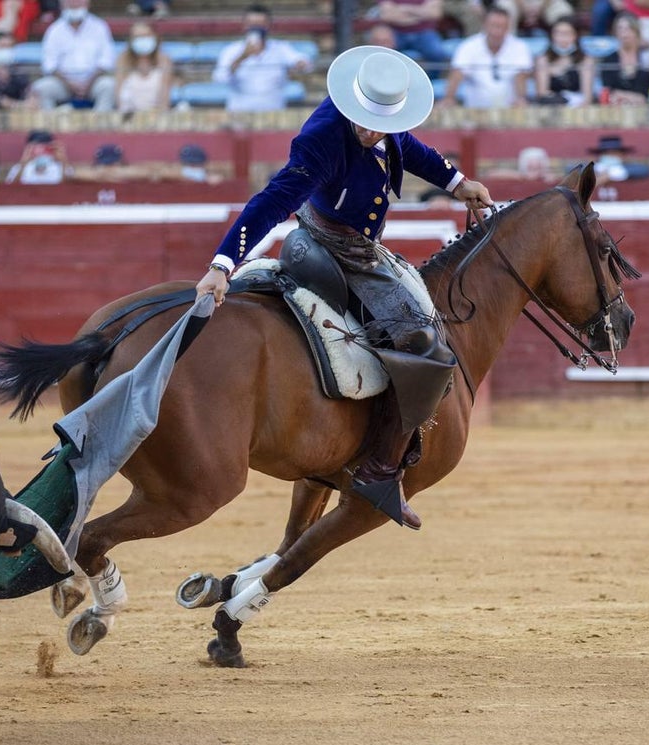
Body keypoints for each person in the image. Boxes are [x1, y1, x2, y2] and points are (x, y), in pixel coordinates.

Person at [196, 46, 494, 532]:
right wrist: (223, 264)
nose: (372, 131)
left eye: (381, 124)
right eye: (366, 122)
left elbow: (407, 146)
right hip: (335, 246)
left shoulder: (386, 124)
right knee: (422, 341)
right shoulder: (322, 138)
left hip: (359, 244)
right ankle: (380, 471)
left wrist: (457, 182)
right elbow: (272, 201)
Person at [211, 4, 312, 112]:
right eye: (252, 24)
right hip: (240, 111)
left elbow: (303, 64)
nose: (256, 27)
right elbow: (220, 78)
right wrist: (243, 57)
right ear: (245, 25)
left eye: (260, 24)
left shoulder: (281, 48)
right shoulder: (231, 50)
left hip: (274, 112)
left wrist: (300, 64)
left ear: (268, 25)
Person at [30, 0, 116, 111]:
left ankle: (100, 121)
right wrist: (70, 83)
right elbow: (49, 64)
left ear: (87, 3)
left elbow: (106, 60)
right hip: (63, 82)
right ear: (62, 3)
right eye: (70, 1)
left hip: (94, 80)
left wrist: (88, 82)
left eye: (78, 1)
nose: (74, 4)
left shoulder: (99, 27)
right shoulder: (54, 30)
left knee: (109, 86)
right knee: (41, 89)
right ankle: (49, 122)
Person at [440, 6, 532, 107]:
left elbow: (521, 76)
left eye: (502, 26)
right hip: (474, 110)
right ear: (485, 25)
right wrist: (449, 98)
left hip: (510, 110)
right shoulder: (469, 46)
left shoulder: (519, 47)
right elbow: (457, 73)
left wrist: (521, 98)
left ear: (508, 28)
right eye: (494, 26)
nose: (497, 31)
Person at [599, 11, 649, 105]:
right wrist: (635, 98)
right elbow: (608, 91)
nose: (624, 32)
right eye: (620, 28)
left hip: (647, 108)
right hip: (618, 106)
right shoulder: (609, 60)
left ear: (637, 32)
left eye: (628, 28)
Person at [369, 0, 448, 72]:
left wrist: (405, 9)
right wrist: (420, 13)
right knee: (383, 50)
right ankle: (385, 76)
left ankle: (431, 80)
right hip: (395, 32)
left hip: (425, 32)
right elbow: (387, 16)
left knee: (437, 53)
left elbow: (435, 13)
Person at [533, 16, 595, 106]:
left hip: (578, 107)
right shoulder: (543, 59)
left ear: (575, 36)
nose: (561, 38)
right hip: (551, 107)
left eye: (566, 33)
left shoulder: (585, 60)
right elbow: (541, 93)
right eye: (557, 33)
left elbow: (587, 96)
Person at [114, 20, 173, 112]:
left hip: (156, 113)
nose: (142, 40)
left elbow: (165, 96)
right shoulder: (123, 60)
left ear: (154, 37)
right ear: (131, 40)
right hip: (129, 115)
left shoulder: (164, 60)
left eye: (145, 36)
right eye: (137, 37)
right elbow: (119, 95)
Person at [5, 129, 71, 184]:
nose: (41, 152)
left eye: (45, 147)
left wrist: (63, 161)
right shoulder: (19, 167)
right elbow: (10, 187)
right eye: (37, 147)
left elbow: (69, 186)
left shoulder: (60, 166)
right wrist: (23, 163)